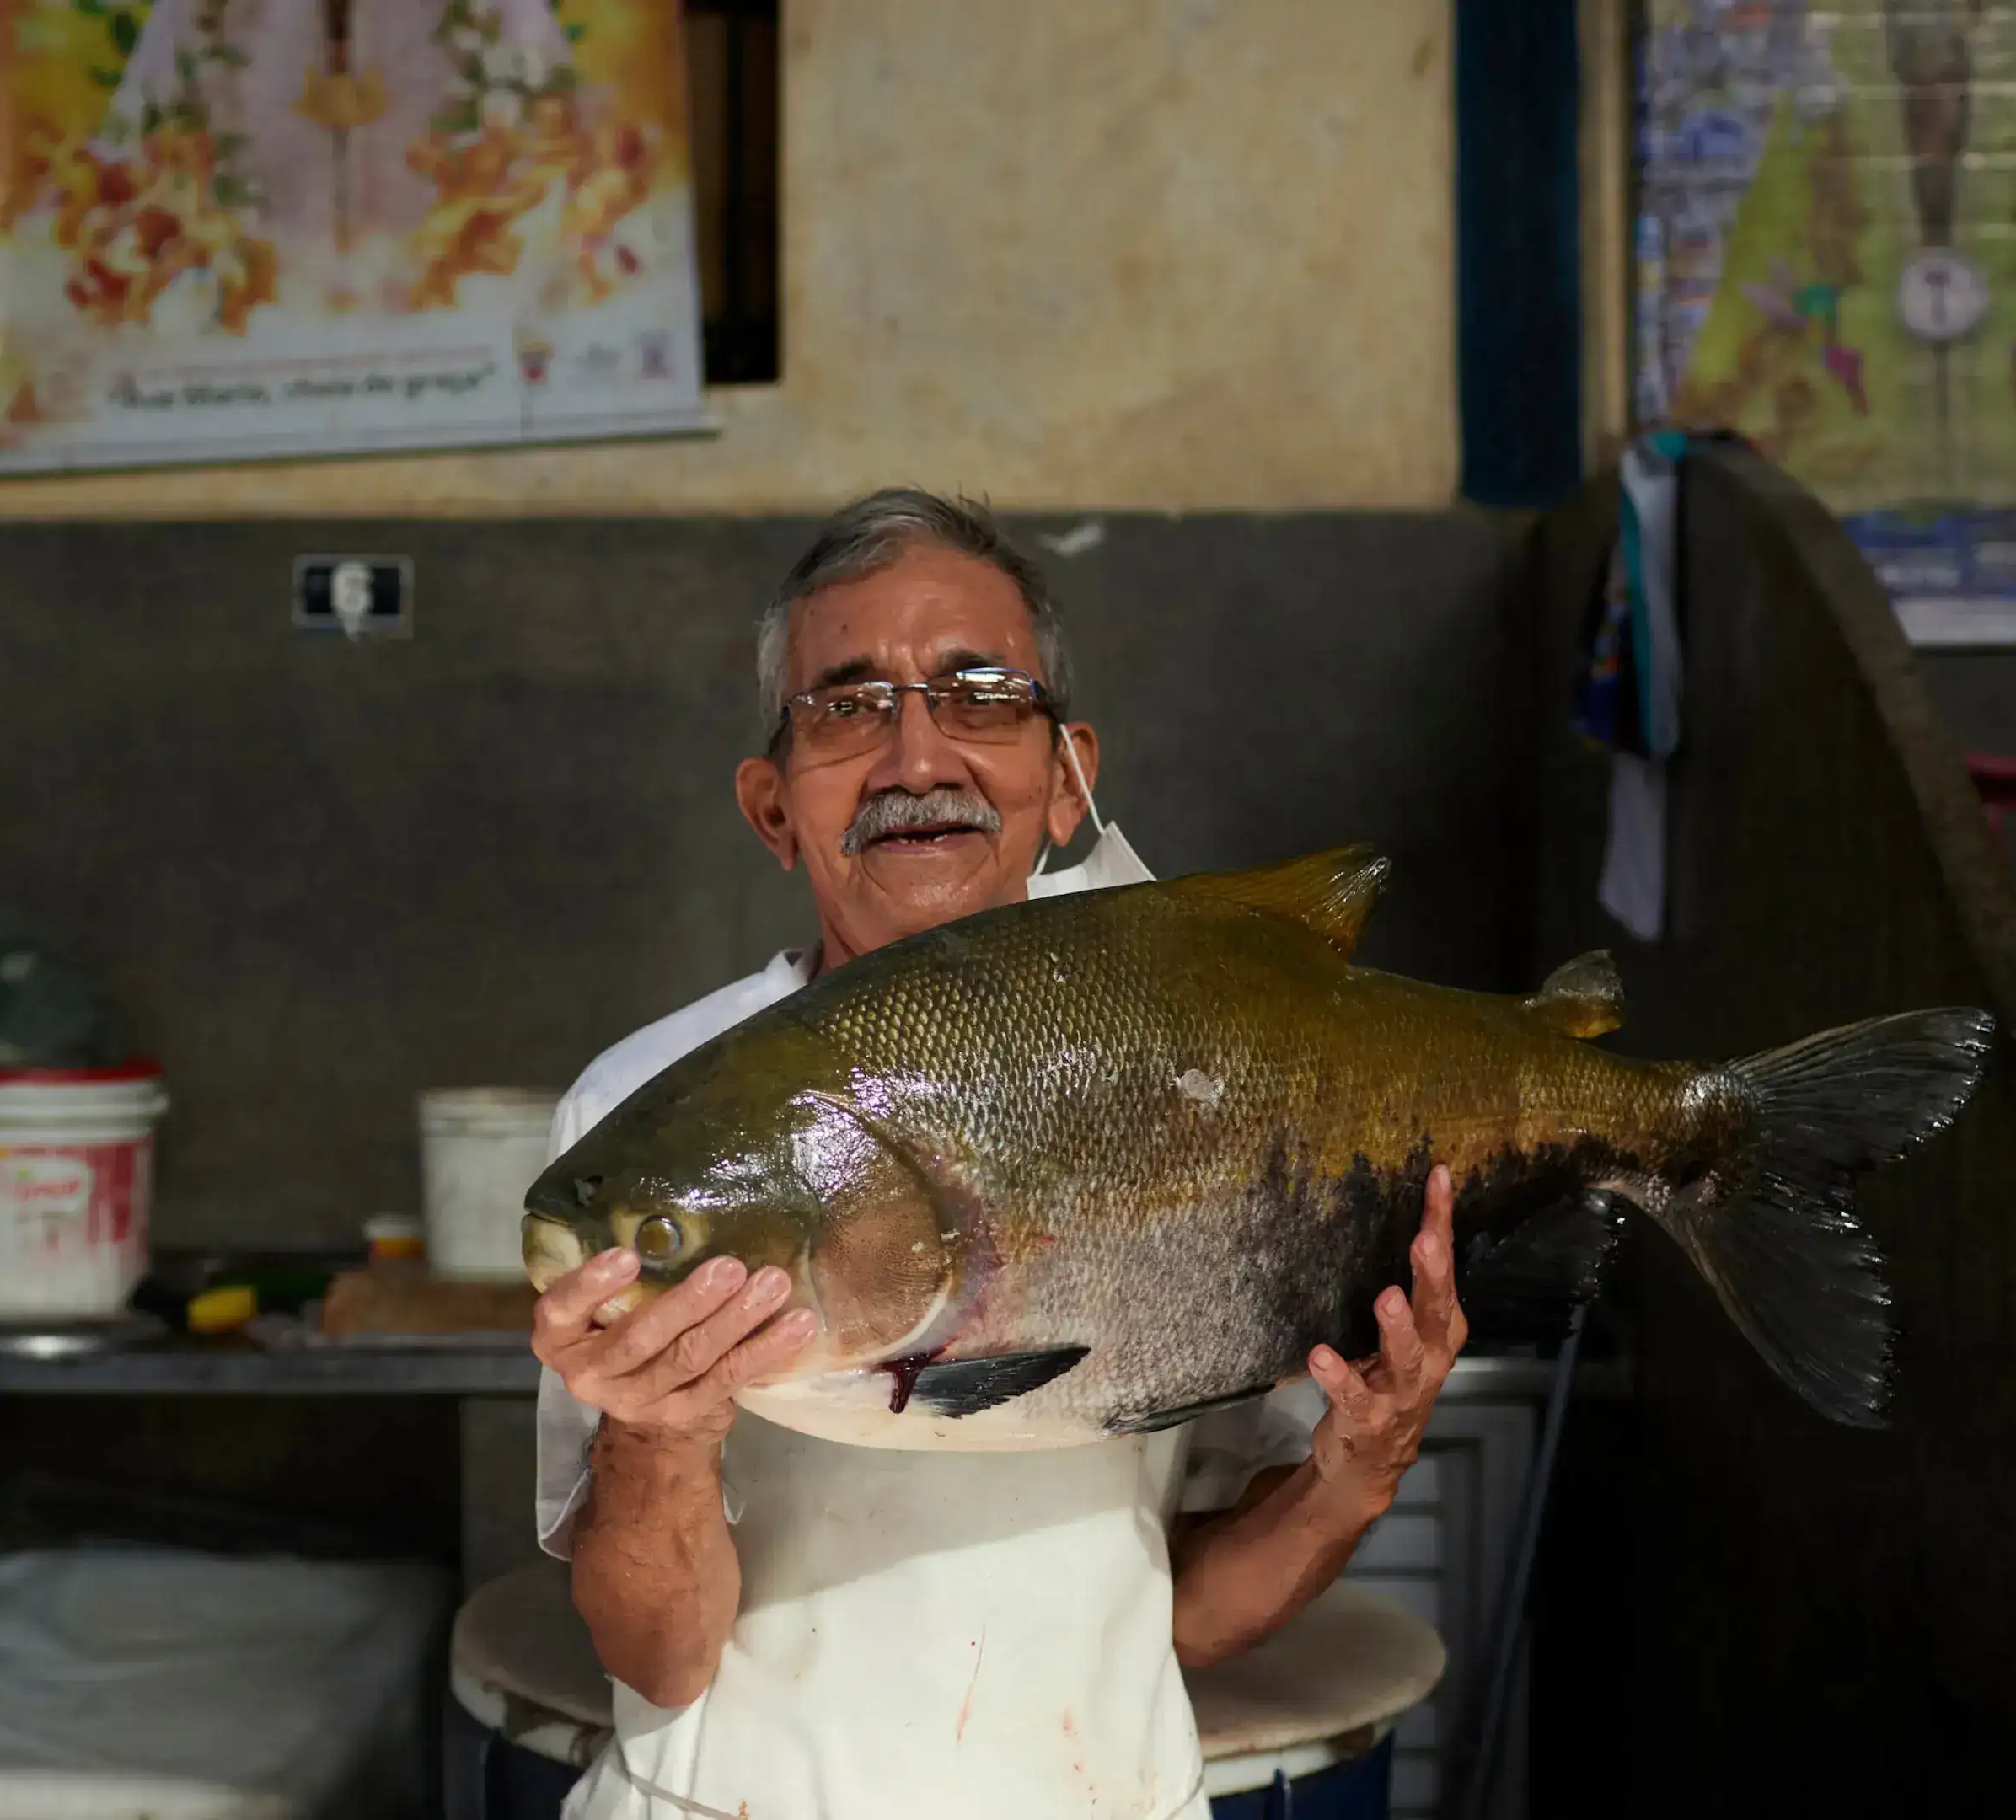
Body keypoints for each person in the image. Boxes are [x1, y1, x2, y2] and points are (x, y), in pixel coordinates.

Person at [526, 490, 1468, 1818]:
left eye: (980, 693)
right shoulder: (645, 1124)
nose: (916, 755)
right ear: (770, 805)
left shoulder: (1197, 1072)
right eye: (845, 706)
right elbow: (659, 1656)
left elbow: (1187, 1617)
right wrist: (658, 1435)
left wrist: (1361, 1464)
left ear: (1067, 774)